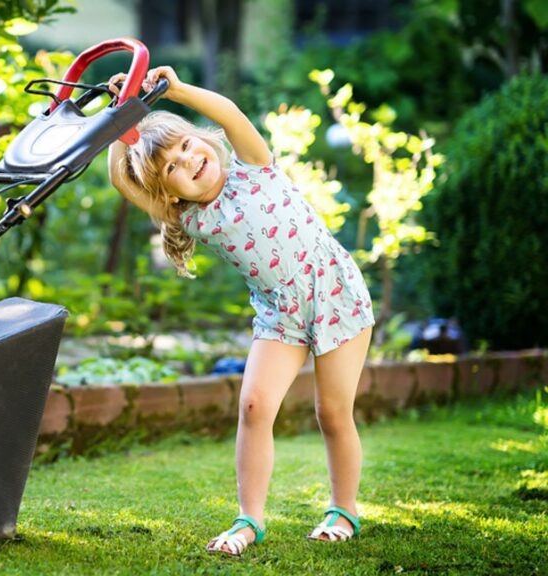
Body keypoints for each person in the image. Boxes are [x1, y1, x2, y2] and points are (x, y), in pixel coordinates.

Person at [107, 67, 375, 556]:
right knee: (253, 407)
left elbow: (229, 114)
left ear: (199, 139)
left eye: (186, 146)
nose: (187, 160)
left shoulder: (254, 166)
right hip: (281, 315)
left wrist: (180, 91)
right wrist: (116, 126)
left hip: (335, 292)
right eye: (170, 167)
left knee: (333, 413)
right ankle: (249, 519)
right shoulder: (189, 214)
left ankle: (344, 510)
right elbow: (126, 185)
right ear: (168, 193)